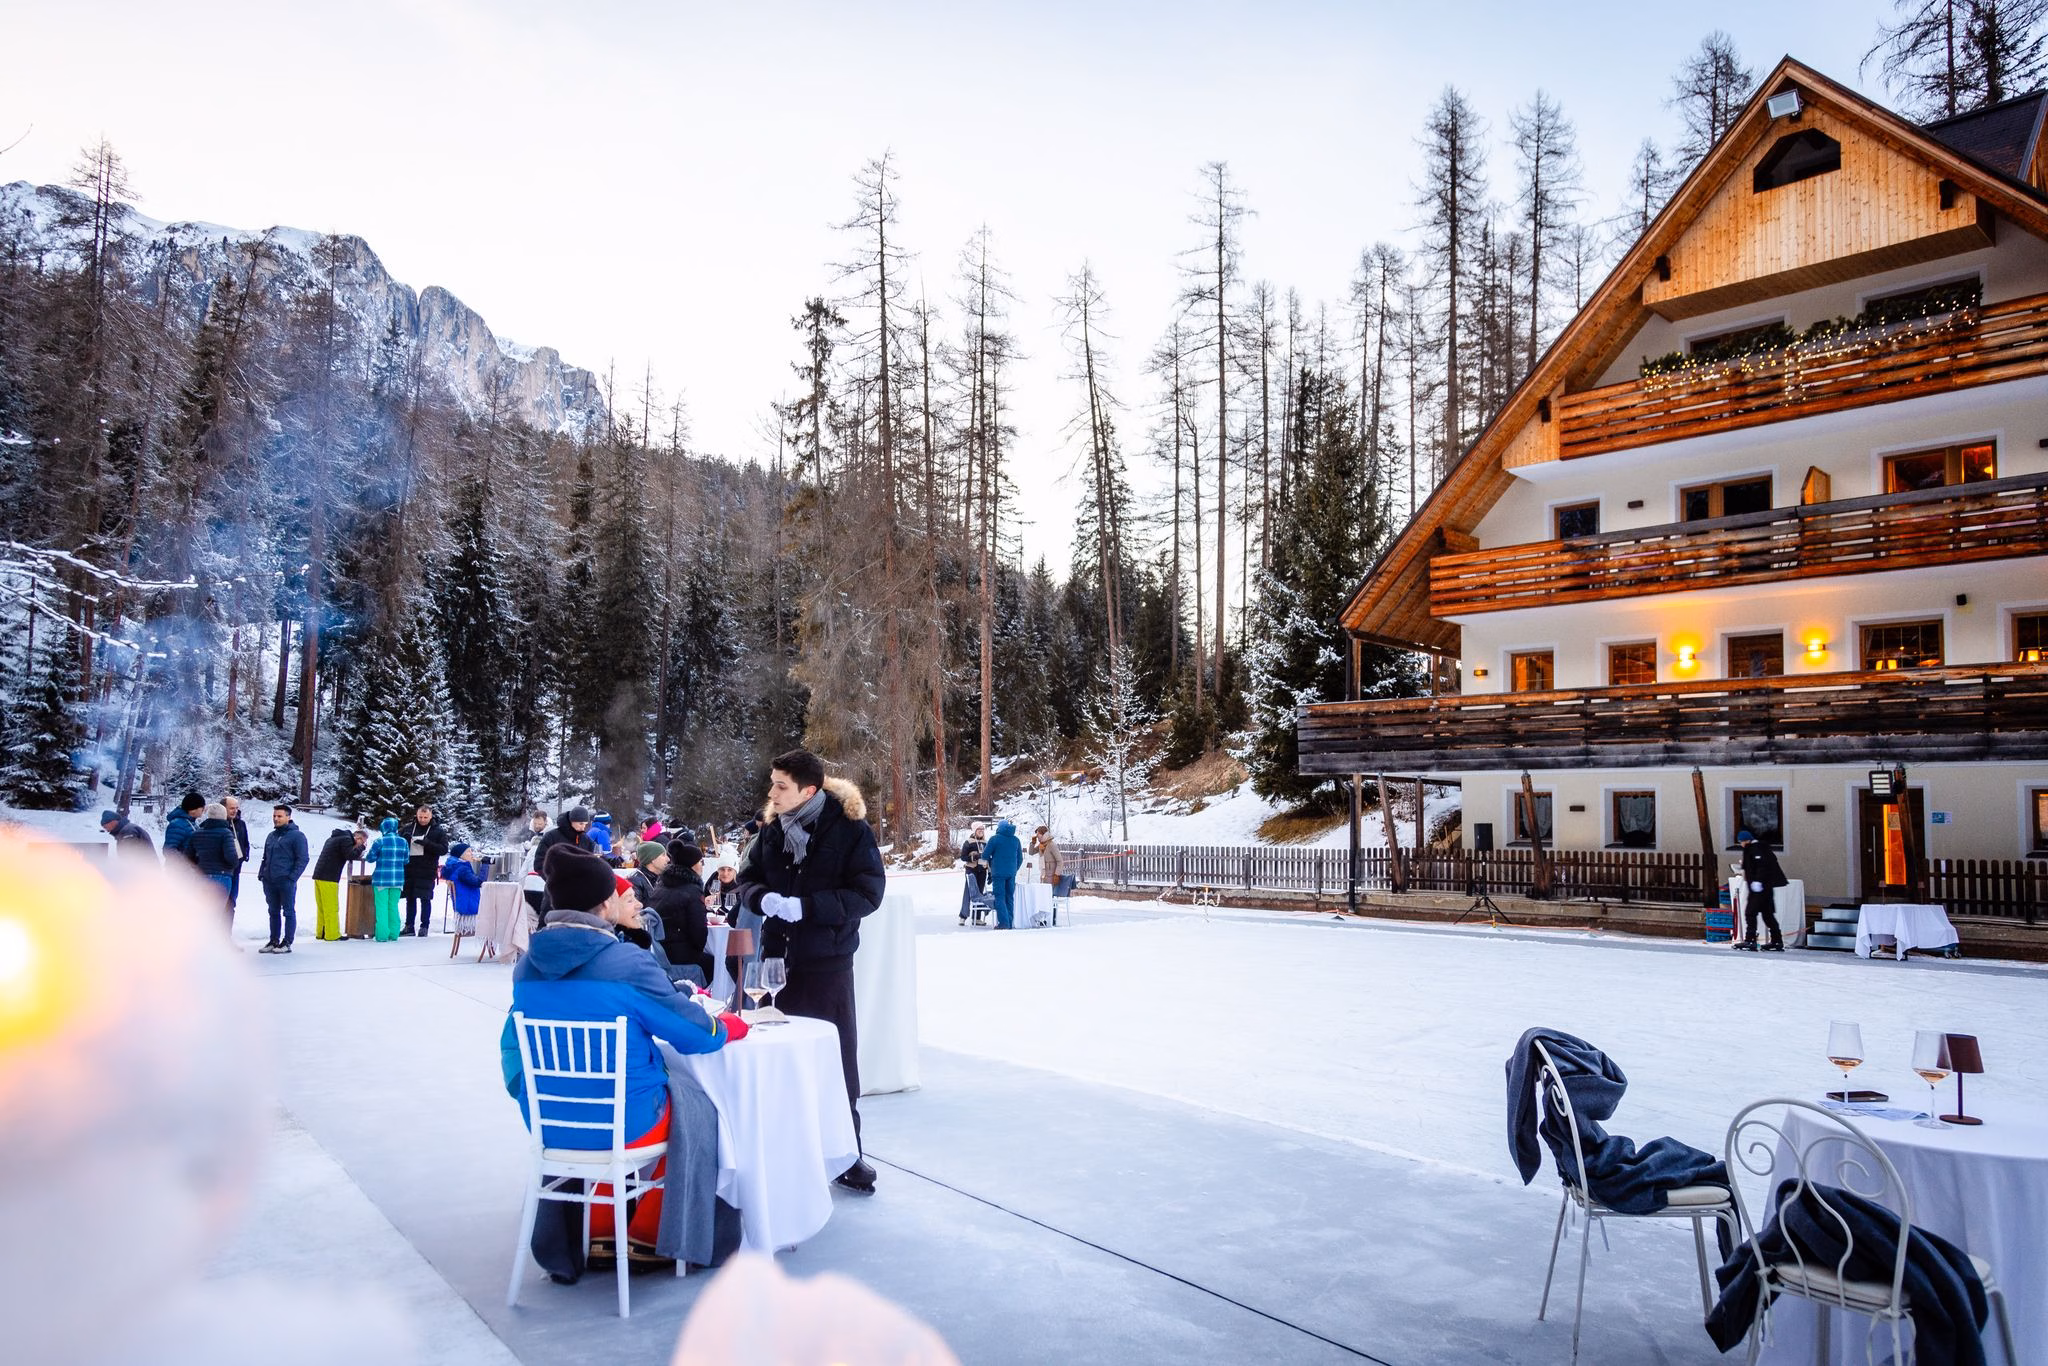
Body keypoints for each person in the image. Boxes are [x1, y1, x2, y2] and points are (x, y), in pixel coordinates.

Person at [500, 844, 744, 1273]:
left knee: (649, 1100)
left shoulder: (527, 968)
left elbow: (512, 1048)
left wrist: (534, 1097)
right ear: (603, 903)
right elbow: (692, 1036)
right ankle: (650, 1236)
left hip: (549, 1121)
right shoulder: (625, 962)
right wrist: (726, 1028)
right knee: (701, 1107)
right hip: (625, 1122)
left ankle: (591, 1231)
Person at [734, 749, 885, 1194]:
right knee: (778, 1057)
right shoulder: (772, 830)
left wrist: (809, 907)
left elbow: (868, 893)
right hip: (776, 959)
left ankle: (848, 1153)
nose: (772, 793)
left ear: (809, 790)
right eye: (772, 783)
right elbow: (745, 879)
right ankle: (783, 1152)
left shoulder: (850, 829)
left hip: (828, 962)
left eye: (781, 785)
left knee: (836, 1061)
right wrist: (762, 899)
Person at [649, 841, 714, 988]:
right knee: (715, 963)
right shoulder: (692, 891)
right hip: (676, 954)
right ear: (692, 865)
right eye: (700, 862)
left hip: (659, 950)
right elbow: (698, 933)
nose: (702, 865)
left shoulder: (662, 885)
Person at [253, 804, 311, 953]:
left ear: (288, 817)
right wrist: (262, 873)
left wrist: (292, 878)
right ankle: (273, 940)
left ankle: (287, 942)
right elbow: (265, 857)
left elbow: (303, 859)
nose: (276, 819)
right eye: (274, 816)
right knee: (273, 911)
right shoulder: (271, 836)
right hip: (269, 880)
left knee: (288, 911)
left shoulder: (297, 836)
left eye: (279, 816)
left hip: (285, 880)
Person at [398, 804, 450, 937]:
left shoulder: (438, 831)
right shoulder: (408, 828)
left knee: (425, 898)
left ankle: (424, 926)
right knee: (410, 897)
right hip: (409, 867)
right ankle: (409, 926)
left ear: (431, 816)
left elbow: (443, 849)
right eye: (420, 816)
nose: (422, 819)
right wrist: (405, 839)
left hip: (427, 869)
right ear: (416, 815)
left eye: (425, 817)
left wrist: (427, 843)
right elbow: (398, 844)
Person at [187, 803, 241, 922]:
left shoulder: (197, 833)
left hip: (201, 876)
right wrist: (232, 865)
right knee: (216, 914)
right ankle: (214, 939)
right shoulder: (226, 833)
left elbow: (188, 856)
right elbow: (231, 857)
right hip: (221, 876)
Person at [1736, 829, 1789, 952]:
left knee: (1750, 912)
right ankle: (1777, 940)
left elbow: (1762, 866)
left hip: (1760, 888)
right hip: (1764, 887)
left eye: (1741, 842)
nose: (1741, 844)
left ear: (1746, 840)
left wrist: (1758, 881)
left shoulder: (1756, 849)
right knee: (1768, 914)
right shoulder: (1759, 848)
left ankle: (1750, 939)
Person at [311, 826, 367, 941]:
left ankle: (321, 932)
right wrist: (361, 848)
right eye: (363, 842)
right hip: (329, 876)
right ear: (359, 838)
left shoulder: (334, 838)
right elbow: (350, 855)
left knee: (322, 907)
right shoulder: (346, 840)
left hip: (319, 875)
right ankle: (332, 934)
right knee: (331, 906)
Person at [365, 817, 409, 942]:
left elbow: (370, 858)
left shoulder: (380, 841)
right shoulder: (403, 842)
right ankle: (394, 934)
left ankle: (382, 935)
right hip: (398, 880)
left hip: (381, 880)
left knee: (381, 907)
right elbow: (406, 860)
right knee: (393, 906)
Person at [442, 842, 486, 953]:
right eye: (468, 851)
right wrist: (485, 865)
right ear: (460, 855)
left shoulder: (452, 866)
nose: (471, 854)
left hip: (460, 905)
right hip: (470, 907)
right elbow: (478, 882)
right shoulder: (462, 869)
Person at [984, 819, 1022, 931]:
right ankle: (1009, 923)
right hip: (1011, 874)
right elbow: (1020, 858)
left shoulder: (995, 839)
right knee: (1009, 897)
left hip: (998, 874)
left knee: (1000, 897)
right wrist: (1014, 869)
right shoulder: (1016, 840)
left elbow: (985, 855)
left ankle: (1003, 923)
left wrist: (991, 862)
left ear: (999, 827)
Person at [222, 796, 252, 925]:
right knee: (221, 903)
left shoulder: (240, 824)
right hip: (222, 870)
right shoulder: (219, 824)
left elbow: (245, 841)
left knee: (232, 902)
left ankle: (227, 933)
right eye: (231, 808)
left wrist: (245, 854)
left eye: (236, 808)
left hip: (236, 869)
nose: (234, 811)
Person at [957, 823, 988, 925]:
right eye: (979, 829)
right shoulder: (969, 842)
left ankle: (977, 917)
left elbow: (988, 857)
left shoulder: (986, 842)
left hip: (982, 870)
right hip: (971, 869)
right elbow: (963, 857)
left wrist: (989, 869)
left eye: (982, 829)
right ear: (974, 830)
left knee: (979, 893)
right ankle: (963, 916)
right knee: (969, 892)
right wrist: (972, 858)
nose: (981, 831)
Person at [163, 791, 204, 864]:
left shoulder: (192, 822)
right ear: (194, 809)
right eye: (202, 807)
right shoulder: (177, 824)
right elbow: (169, 850)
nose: (203, 810)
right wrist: (187, 863)